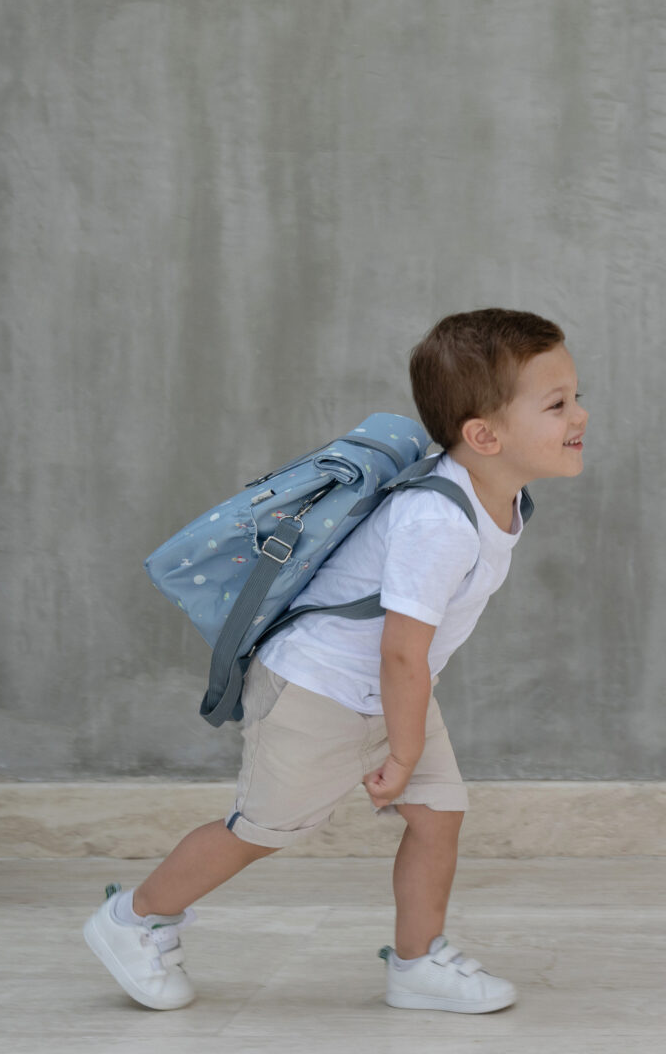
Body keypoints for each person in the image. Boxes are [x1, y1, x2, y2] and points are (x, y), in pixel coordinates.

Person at [83, 308, 586, 1013]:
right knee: (262, 830)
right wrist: (404, 752)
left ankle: (417, 964)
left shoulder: (501, 498)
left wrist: (403, 742)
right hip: (317, 691)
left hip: (387, 691)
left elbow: (405, 661)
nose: (580, 415)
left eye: (576, 396)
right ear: (483, 435)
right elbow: (401, 650)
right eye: (557, 404)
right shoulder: (439, 521)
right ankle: (135, 918)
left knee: (438, 815)